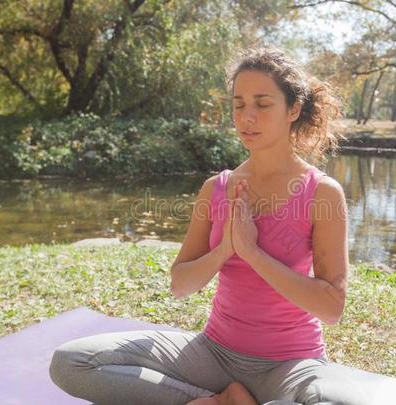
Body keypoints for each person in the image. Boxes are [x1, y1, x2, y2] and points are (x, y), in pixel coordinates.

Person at [49, 46, 367, 405]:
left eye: (262, 104)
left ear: (293, 109)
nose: (247, 117)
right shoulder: (216, 188)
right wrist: (226, 249)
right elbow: (181, 284)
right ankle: (214, 400)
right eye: (238, 104)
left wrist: (252, 252)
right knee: (71, 362)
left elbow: (331, 308)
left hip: (291, 365)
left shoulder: (322, 193)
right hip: (212, 354)